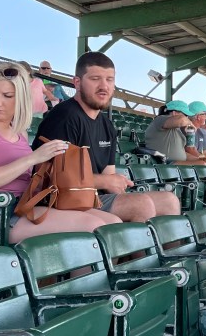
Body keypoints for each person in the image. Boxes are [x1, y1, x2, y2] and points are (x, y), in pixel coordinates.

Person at [0, 62, 121, 241]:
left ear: (21, 98)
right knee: (92, 226)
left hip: (27, 204)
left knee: (114, 224)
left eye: (8, 96)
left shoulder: (19, 132)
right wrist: (32, 159)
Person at [34, 52, 181, 222]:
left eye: (109, 80)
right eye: (95, 78)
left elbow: (108, 174)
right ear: (77, 83)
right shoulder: (64, 117)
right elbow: (50, 179)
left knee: (169, 200)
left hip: (94, 197)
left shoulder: (106, 125)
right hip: (61, 200)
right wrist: (105, 182)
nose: (104, 86)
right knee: (141, 204)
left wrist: (116, 184)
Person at [143, 100, 206, 164]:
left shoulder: (176, 129)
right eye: (185, 115)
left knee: (204, 162)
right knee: (202, 164)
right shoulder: (160, 119)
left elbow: (182, 153)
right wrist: (190, 124)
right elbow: (182, 120)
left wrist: (200, 159)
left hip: (176, 164)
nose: (187, 117)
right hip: (165, 164)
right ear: (174, 113)